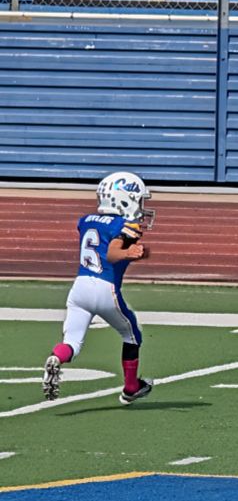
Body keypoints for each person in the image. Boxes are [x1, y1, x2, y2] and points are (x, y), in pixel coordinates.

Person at [42, 171, 154, 405]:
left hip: (79, 287)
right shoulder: (124, 225)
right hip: (104, 288)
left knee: (72, 342)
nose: (142, 206)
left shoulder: (86, 220)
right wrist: (127, 252)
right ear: (124, 198)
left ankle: (56, 358)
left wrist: (134, 254)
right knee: (132, 333)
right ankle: (131, 387)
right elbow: (112, 254)